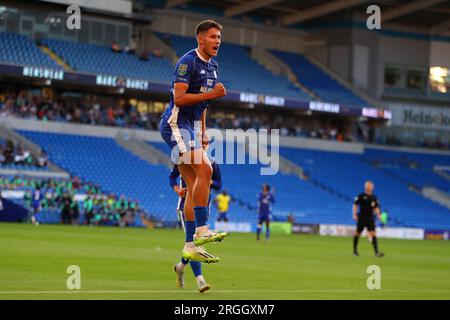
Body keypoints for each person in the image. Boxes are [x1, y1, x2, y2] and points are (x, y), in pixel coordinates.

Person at [159, 19, 227, 263]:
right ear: (200, 39)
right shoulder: (187, 62)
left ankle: (190, 246)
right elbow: (179, 99)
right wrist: (212, 93)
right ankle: (201, 230)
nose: (217, 41)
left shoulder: (213, 66)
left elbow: (202, 105)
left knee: (194, 181)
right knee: (205, 169)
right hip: (175, 125)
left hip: (191, 128)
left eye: (219, 37)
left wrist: (203, 131)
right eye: (212, 36)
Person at [170, 149, 222, 293]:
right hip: (185, 206)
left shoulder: (211, 162)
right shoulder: (183, 157)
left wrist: (206, 179)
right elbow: (172, 178)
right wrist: (177, 189)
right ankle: (200, 280)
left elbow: (219, 184)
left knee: (192, 245)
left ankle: (180, 267)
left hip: (203, 207)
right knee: (193, 244)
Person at [352, 180, 384, 257]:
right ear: (365, 186)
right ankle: (355, 251)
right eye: (367, 185)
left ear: (372, 187)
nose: (368, 187)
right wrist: (354, 214)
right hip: (362, 217)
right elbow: (355, 205)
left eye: (370, 186)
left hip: (370, 218)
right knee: (357, 233)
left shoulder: (374, 198)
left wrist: (378, 214)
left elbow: (376, 207)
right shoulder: (360, 196)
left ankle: (376, 252)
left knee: (373, 234)